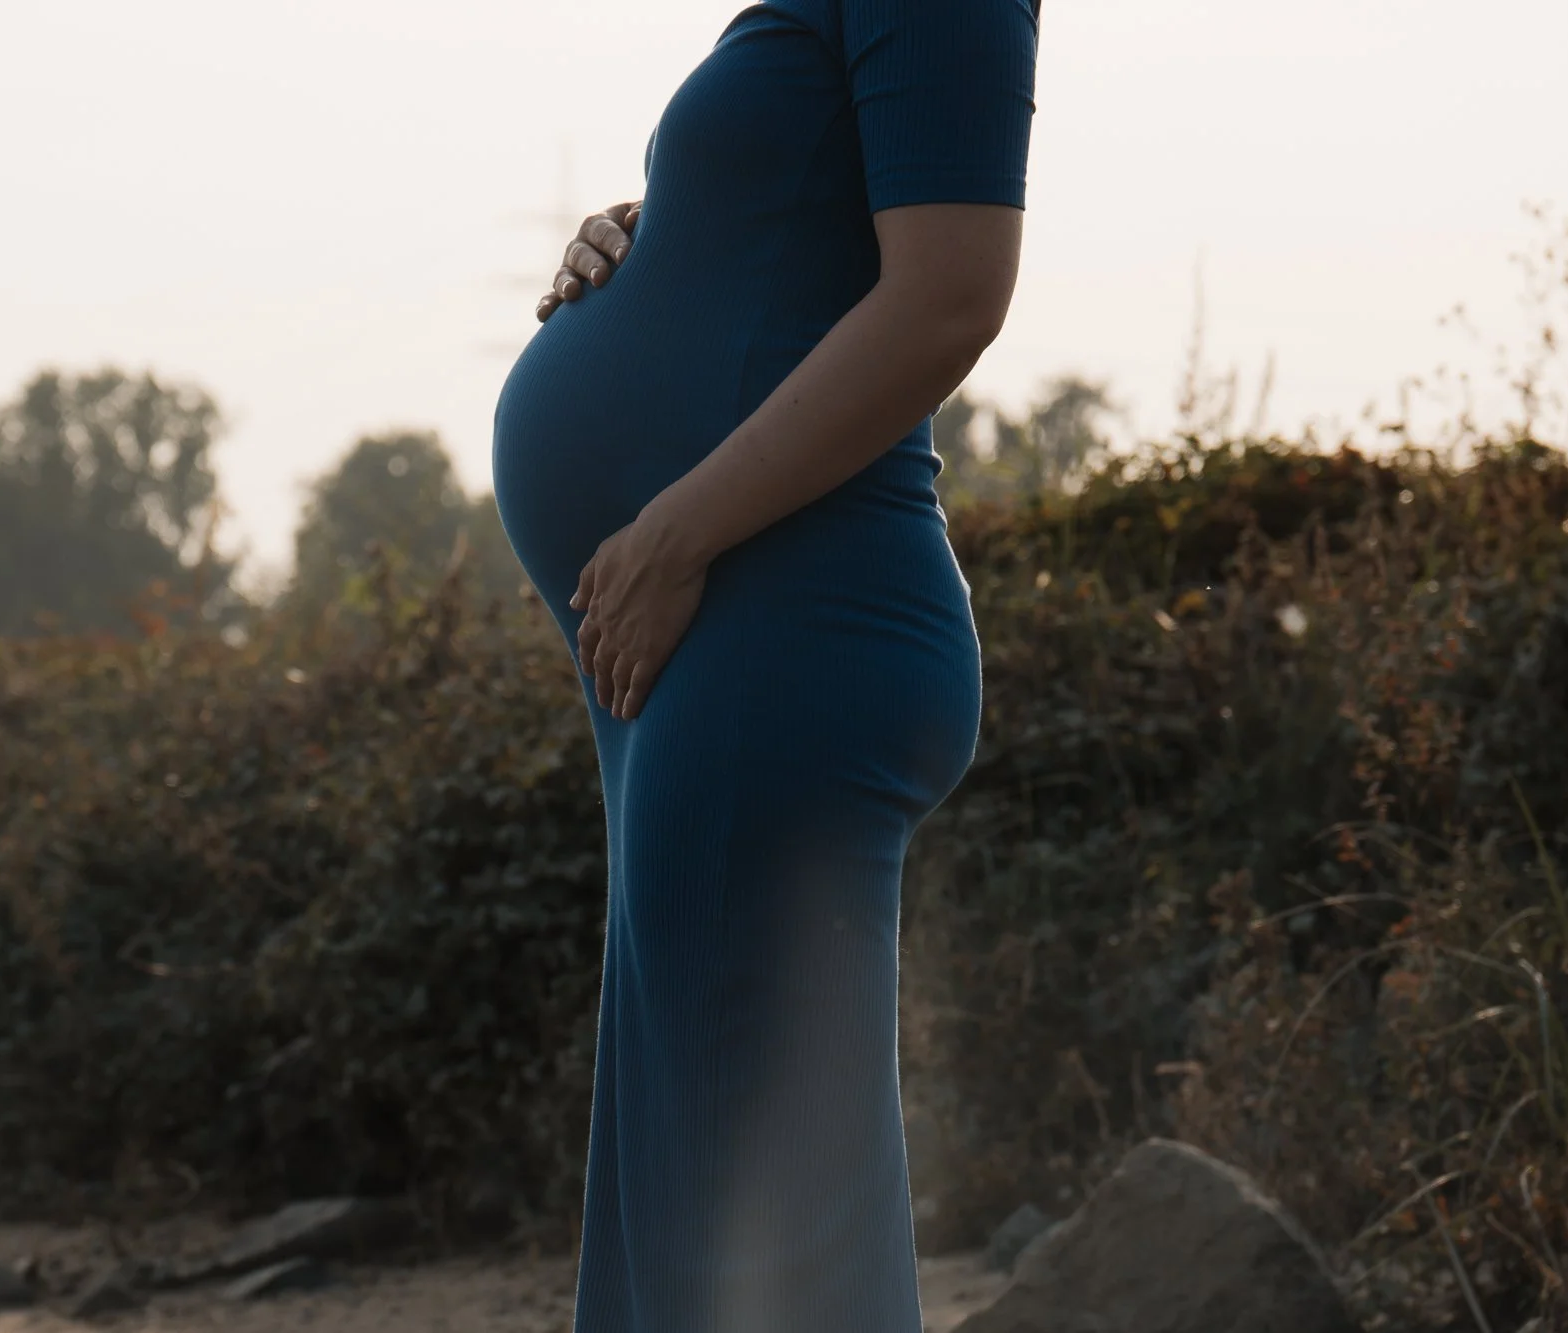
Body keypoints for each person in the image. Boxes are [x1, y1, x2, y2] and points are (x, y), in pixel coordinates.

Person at [491, 2, 1038, 1329]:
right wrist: (660, 235)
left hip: (783, 623)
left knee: (757, 1235)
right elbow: (817, 229)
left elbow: (951, 296)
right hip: (718, 651)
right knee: (695, 1204)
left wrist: (676, 533)